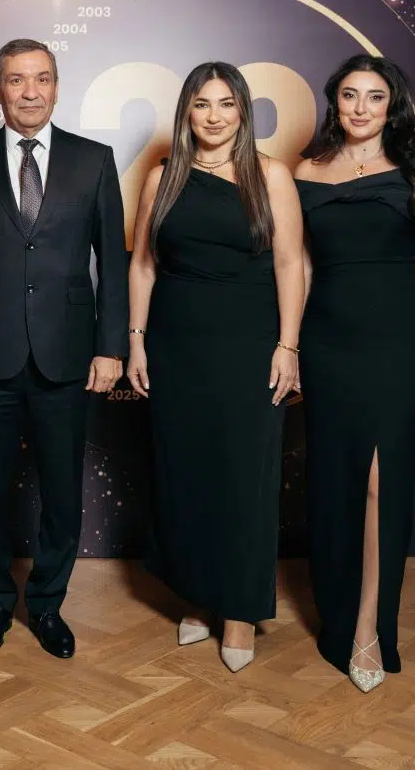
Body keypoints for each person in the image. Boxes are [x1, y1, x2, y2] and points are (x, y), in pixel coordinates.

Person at [0, 38, 128, 660]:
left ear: (57, 86)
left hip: (66, 353)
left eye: (42, 78)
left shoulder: (94, 161)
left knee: (62, 489)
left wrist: (111, 347)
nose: (30, 91)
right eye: (16, 80)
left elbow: (114, 265)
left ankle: (46, 603)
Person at [125, 62, 304, 673]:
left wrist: (288, 346)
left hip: (249, 346)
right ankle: (198, 596)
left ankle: (240, 610)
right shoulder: (163, 177)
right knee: (188, 475)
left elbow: (290, 263)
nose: (214, 116)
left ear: (243, 111)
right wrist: (137, 342)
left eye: (226, 103)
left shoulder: (270, 175)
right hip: (176, 346)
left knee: (245, 478)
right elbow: (143, 265)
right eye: (202, 104)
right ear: (186, 112)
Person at [294, 55, 415, 693]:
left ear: (393, 106)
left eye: (376, 96)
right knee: (334, 483)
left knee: (381, 486)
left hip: (396, 342)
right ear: (335, 102)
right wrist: (289, 345)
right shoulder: (306, 172)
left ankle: (369, 626)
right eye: (350, 95)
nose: (361, 108)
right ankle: (335, 615)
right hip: (325, 342)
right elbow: (300, 266)